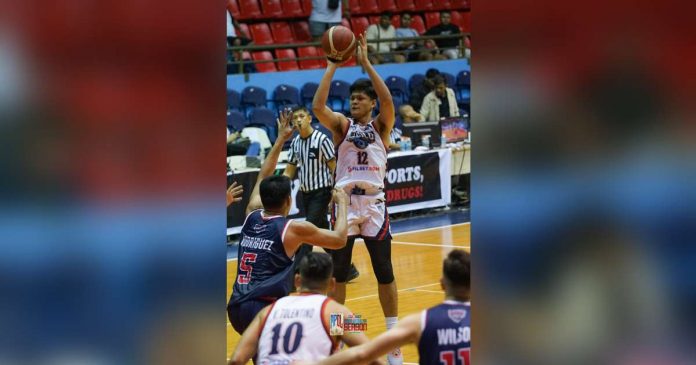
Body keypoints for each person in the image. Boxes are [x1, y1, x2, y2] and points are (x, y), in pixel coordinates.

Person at [312, 33, 403, 365]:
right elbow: (318, 107)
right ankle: (341, 339)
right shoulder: (341, 126)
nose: (354, 103)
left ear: (371, 103)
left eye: (360, 100)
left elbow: (389, 101)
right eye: (352, 100)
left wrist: (366, 63)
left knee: (384, 271)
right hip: (345, 205)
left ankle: (392, 343)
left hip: (375, 204)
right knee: (338, 276)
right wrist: (331, 67)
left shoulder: (382, 126)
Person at [227, 110, 349, 336]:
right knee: (349, 325)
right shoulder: (293, 230)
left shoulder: (251, 214)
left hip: (235, 307)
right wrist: (343, 203)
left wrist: (281, 139)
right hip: (266, 310)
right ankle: (342, 337)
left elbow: (264, 174)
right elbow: (340, 239)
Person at [294, 250, 471, 365]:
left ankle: (384, 341)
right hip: (337, 317)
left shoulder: (270, 310)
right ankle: (342, 339)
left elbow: (363, 354)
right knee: (347, 317)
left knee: (383, 271)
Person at [228, 252, 384, 365]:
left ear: (297, 280)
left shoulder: (268, 311)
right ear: (332, 284)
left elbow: (236, 360)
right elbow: (370, 354)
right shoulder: (335, 312)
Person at [283, 106, 360, 283]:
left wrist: (336, 190)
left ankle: (296, 275)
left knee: (307, 231)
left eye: (301, 116)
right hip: (306, 193)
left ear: (310, 118)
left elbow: (334, 167)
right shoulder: (295, 143)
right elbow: (289, 170)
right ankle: (347, 269)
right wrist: (278, 186)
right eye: (295, 118)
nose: (298, 120)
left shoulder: (321, 139)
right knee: (322, 233)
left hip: (322, 191)